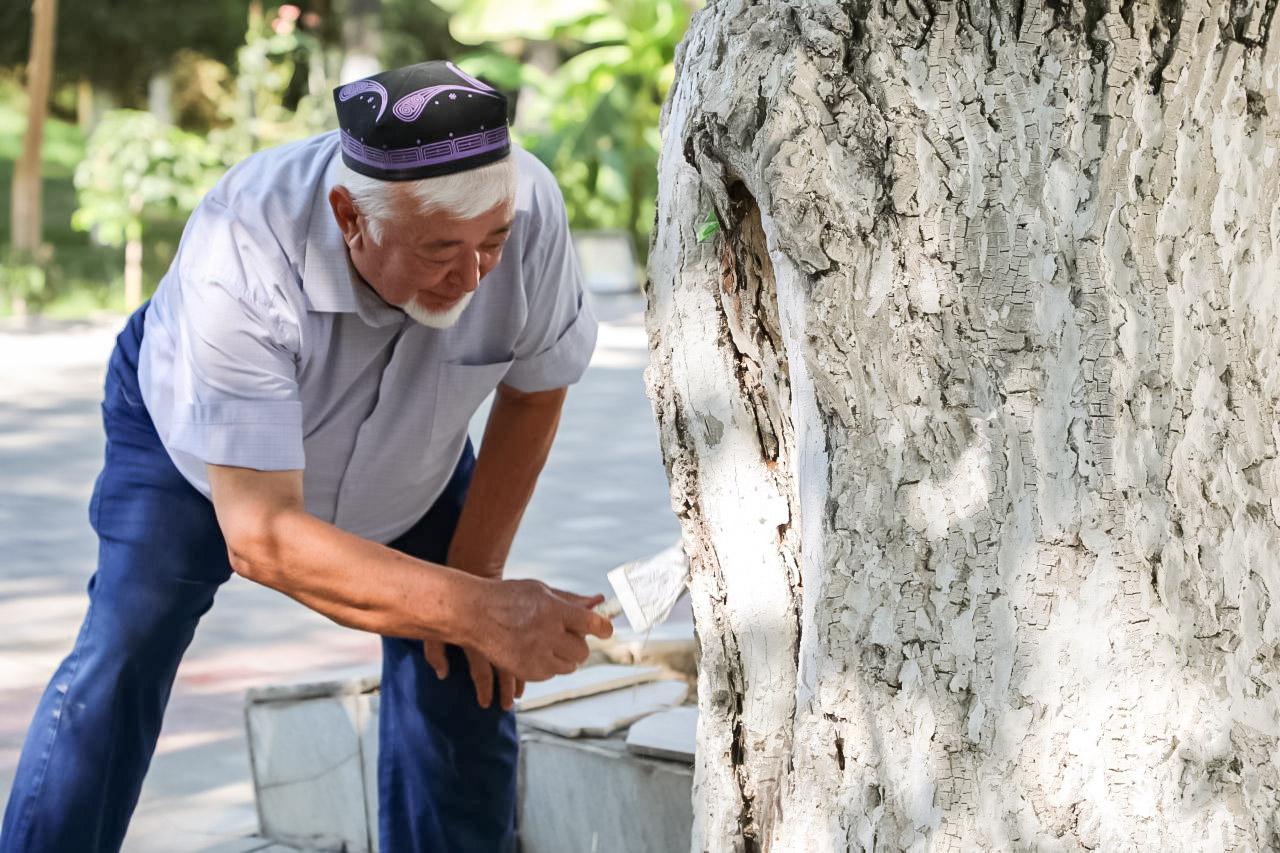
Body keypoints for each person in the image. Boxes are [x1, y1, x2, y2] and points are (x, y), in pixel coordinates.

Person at [0, 59, 613, 852]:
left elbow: (534, 389)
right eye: (438, 250)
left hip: (411, 463)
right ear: (349, 216)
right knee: (124, 653)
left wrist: (478, 585)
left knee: (465, 675)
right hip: (199, 458)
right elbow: (263, 537)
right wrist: (478, 608)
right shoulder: (244, 241)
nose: (473, 274)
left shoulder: (526, 207)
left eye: (491, 240)